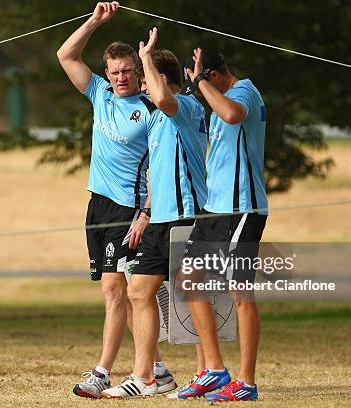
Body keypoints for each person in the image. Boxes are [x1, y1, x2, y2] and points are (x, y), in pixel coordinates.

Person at [56, 2, 174, 399]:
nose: (121, 78)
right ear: (106, 74)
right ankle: (157, 367)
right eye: (115, 72)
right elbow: (65, 55)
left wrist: (146, 212)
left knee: (114, 290)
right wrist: (94, 21)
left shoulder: (150, 108)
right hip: (97, 206)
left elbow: (161, 165)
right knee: (117, 291)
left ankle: (102, 372)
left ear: (137, 73)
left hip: (129, 210)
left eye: (127, 71)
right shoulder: (99, 92)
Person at [100, 27, 208, 399]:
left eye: (145, 79)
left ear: (160, 79)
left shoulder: (184, 107)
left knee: (190, 295)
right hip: (160, 219)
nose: (141, 87)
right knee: (138, 291)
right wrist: (145, 213)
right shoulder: (160, 116)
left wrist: (146, 56)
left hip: (187, 215)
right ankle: (146, 376)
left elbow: (164, 97)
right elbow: (156, 171)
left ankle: (206, 372)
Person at [173, 47, 269, 402]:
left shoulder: (242, 91)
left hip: (242, 209)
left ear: (212, 75)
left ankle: (246, 381)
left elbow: (231, 114)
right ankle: (215, 370)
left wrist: (198, 81)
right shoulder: (217, 94)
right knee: (186, 279)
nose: (194, 89)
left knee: (240, 292)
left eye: (197, 81)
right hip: (215, 211)